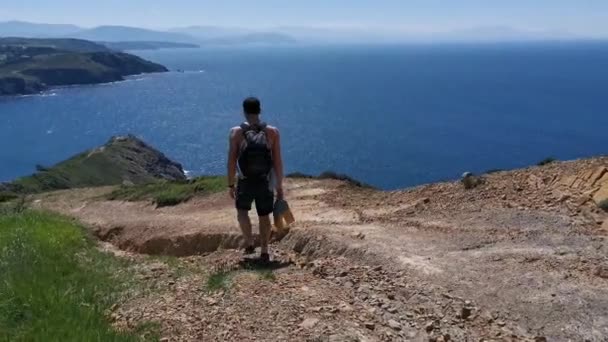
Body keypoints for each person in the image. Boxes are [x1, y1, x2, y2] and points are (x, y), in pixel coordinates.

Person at [227, 97, 284, 262]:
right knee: (264, 215)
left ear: (244, 111)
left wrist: (231, 184)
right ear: (260, 110)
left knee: (242, 212)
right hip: (264, 182)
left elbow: (231, 160)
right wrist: (279, 186)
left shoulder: (236, 132)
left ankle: (249, 242)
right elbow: (277, 161)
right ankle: (265, 250)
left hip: (245, 181)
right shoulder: (272, 132)